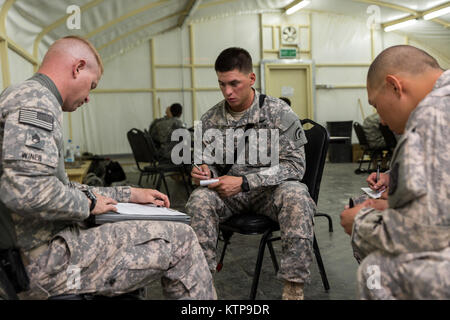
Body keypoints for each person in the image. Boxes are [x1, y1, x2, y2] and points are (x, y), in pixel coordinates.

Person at [0, 36, 215, 300]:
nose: (89, 97)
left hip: (31, 254)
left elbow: (56, 188)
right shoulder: (35, 101)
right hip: (42, 266)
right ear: (78, 67)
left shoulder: (24, 96)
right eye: (91, 85)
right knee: (181, 239)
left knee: (140, 234)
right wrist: (89, 205)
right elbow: (27, 191)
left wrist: (128, 194)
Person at [185, 47, 315, 300]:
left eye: (234, 83)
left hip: (268, 193)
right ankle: (202, 287)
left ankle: (293, 288)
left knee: (296, 194)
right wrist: (203, 171)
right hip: (228, 195)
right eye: (222, 84)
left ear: (251, 79)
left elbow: (295, 167)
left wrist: (245, 182)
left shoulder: (279, 113)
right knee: (198, 200)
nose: (228, 92)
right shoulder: (211, 118)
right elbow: (207, 162)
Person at [340, 45, 450, 299]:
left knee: (378, 272)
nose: (380, 119)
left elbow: (426, 236)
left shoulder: (432, 116)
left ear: (394, 86)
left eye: (376, 105)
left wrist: (360, 222)